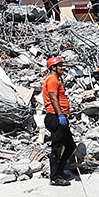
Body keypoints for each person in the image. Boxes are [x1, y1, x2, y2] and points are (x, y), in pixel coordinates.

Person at [41, 56, 74, 186]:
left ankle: (59, 172)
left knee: (70, 146)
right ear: (53, 68)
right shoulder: (52, 79)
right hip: (55, 116)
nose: (62, 68)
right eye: (60, 66)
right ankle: (54, 177)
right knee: (57, 147)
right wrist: (60, 115)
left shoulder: (56, 80)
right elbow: (54, 99)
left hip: (60, 116)